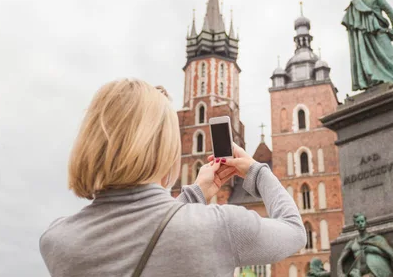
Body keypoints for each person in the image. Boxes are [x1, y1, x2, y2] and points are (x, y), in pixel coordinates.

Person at [39, 79, 306, 276]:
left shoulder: (57, 241)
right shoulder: (219, 226)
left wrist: (194, 193)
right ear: (165, 148)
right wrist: (257, 172)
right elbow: (295, 232)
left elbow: (141, 227)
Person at [342, 0, 393, 91]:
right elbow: (391, 14)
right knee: (390, 58)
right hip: (380, 33)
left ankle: (371, 81)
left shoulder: (353, 5)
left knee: (368, 59)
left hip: (363, 40)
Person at [337, 213, 393, 277]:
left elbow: (390, 254)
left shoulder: (376, 238)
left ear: (366, 222)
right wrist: (340, 274)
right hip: (359, 273)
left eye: (362, 221)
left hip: (375, 272)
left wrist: (374, 250)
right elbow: (340, 260)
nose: (360, 224)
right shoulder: (352, 243)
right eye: (358, 222)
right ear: (355, 225)